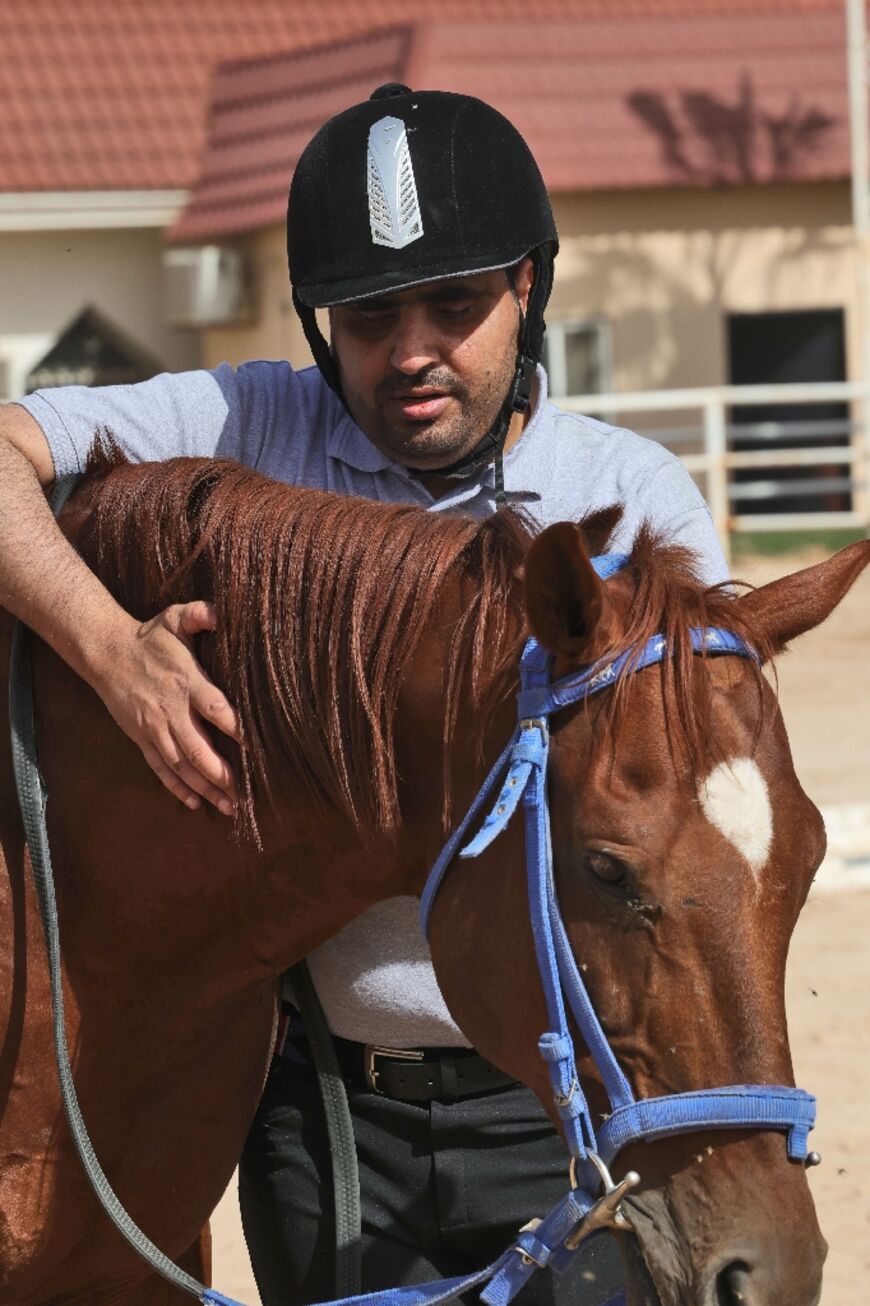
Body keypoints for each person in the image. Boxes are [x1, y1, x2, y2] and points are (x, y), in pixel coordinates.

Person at [0, 85, 728, 1306]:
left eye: (456, 304)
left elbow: (686, 841)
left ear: (530, 286)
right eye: (369, 314)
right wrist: (111, 648)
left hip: (556, 1095)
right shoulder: (248, 423)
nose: (411, 354)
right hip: (324, 1107)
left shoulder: (634, 499)